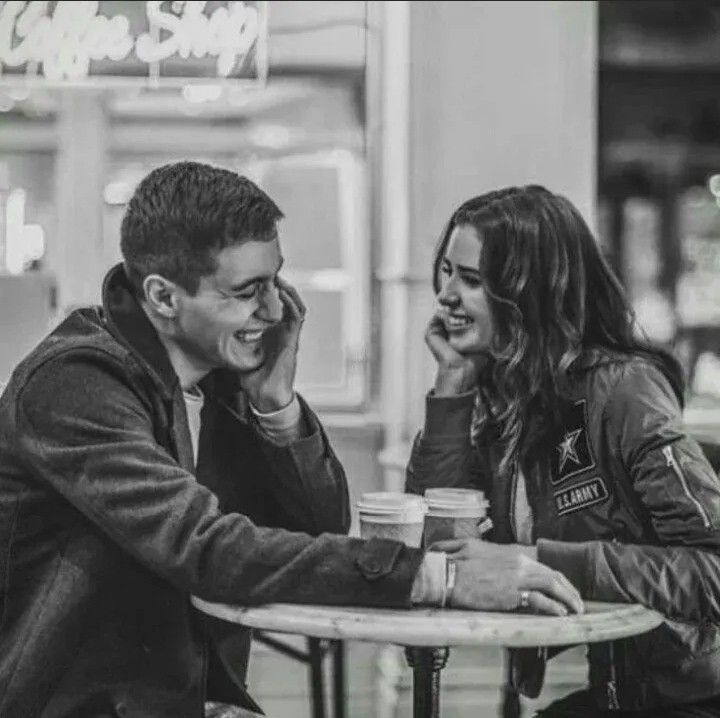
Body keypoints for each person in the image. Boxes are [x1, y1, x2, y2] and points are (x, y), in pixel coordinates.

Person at [0, 164, 582, 718]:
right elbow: (208, 549)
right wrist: (439, 577)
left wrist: (276, 404)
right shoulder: (76, 384)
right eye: (248, 290)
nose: (276, 309)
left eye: (276, 281)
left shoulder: (221, 381)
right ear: (162, 297)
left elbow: (318, 526)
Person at [406, 184, 720, 717]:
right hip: (620, 697)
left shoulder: (624, 390)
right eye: (448, 273)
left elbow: (712, 569)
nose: (447, 296)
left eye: (472, 279)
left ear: (530, 292)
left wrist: (540, 561)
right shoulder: (510, 400)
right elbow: (433, 538)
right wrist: (453, 385)